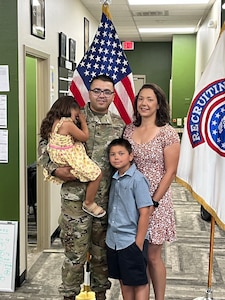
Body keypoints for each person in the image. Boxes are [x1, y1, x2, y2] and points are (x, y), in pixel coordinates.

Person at [38, 75, 125, 300]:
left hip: (104, 201)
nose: (102, 96)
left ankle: (100, 294)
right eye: (97, 90)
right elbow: (43, 146)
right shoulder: (71, 117)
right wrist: (55, 170)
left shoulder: (119, 125)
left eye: (107, 92)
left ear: (114, 96)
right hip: (74, 201)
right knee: (74, 255)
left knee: (100, 253)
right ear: (89, 92)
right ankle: (68, 295)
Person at [123, 83, 180, 300]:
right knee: (138, 254)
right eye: (141, 99)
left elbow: (171, 171)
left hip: (157, 200)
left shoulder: (167, 133)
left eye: (149, 99)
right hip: (131, 199)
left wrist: (153, 202)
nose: (144, 103)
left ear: (158, 104)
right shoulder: (128, 129)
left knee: (154, 255)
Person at [39, 96, 105, 218]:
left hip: (60, 157)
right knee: (97, 174)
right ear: (70, 109)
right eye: (76, 114)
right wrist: (84, 122)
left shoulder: (53, 123)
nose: (77, 117)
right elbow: (84, 137)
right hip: (70, 158)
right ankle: (89, 202)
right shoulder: (67, 123)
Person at [106, 138, 154, 300]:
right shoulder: (113, 178)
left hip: (130, 241)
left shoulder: (137, 179)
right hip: (114, 240)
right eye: (112, 154)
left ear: (131, 156)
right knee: (124, 281)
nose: (116, 157)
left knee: (139, 282)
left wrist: (138, 244)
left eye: (121, 153)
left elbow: (145, 213)